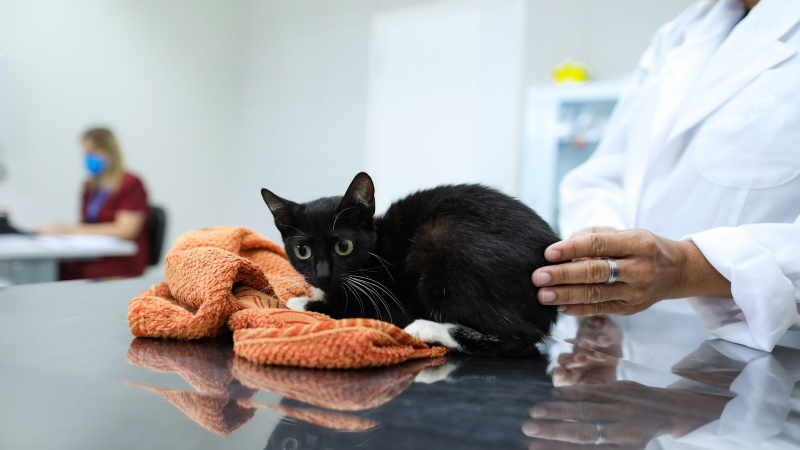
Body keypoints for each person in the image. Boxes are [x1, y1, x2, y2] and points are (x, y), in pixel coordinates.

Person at [530, 0, 800, 352]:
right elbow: (606, 172)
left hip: (775, 355)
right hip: (628, 347)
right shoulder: (681, 34)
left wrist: (687, 269)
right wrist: (604, 240)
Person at [38, 127, 150, 279]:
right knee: (55, 266)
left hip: (120, 260)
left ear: (109, 151)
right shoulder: (90, 186)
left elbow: (125, 231)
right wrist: (63, 230)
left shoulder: (130, 183)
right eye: (85, 152)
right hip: (93, 254)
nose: (88, 157)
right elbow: (86, 224)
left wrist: (70, 230)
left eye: (92, 151)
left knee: (69, 273)